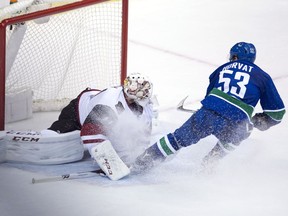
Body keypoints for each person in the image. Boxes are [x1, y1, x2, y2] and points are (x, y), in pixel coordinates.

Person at [132, 42, 286, 172]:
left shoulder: (222, 69)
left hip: (209, 113)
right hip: (236, 122)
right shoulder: (263, 77)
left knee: (177, 139)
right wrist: (260, 121)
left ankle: (142, 162)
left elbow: (210, 94)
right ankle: (208, 166)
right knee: (240, 134)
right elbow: (277, 113)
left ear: (235, 57)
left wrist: (208, 113)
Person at [47, 72, 154, 167]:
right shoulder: (109, 103)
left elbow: (143, 135)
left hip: (100, 104)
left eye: (146, 90)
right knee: (58, 133)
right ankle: (49, 133)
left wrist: (139, 155)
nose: (145, 94)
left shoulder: (146, 104)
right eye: (142, 91)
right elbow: (89, 133)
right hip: (77, 111)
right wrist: (107, 162)